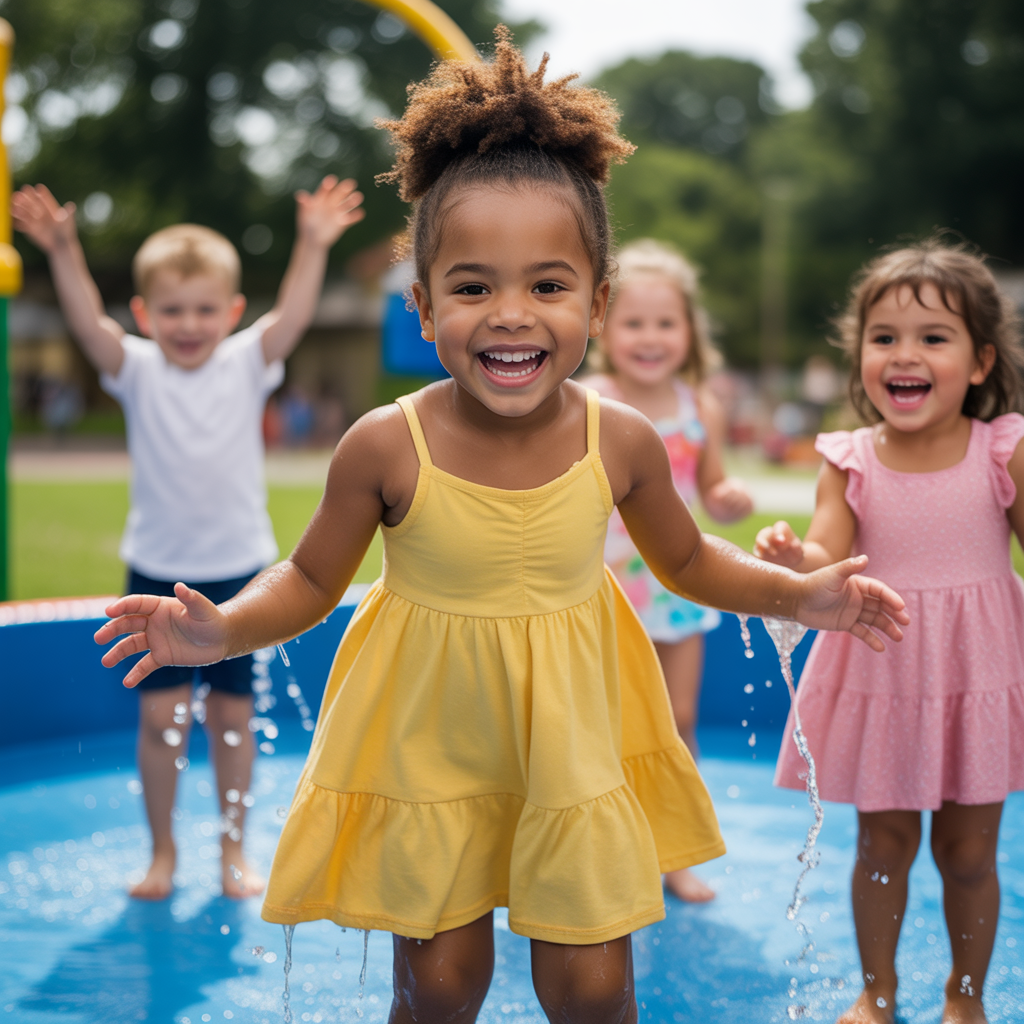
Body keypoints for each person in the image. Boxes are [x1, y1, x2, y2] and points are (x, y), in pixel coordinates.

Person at [97, 31, 907, 1024]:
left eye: (548, 286)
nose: (511, 315)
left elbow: (689, 557)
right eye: (473, 286)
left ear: (597, 304)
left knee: (595, 984)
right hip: (430, 737)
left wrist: (799, 594)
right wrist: (221, 627)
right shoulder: (383, 445)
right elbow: (309, 581)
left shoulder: (623, 438)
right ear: (424, 308)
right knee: (437, 986)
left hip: (572, 734)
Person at [12, 175, 365, 901]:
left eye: (206, 309)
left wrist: (312, 242)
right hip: (156, 572)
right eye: (171, 310)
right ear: (143, 313)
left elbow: (294, 315)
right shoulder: (136, 370)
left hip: (239, 571)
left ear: (234, 311)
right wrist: (62, 247)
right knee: (161, 721)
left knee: (234, 721)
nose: (189, 323)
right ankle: (163, 853)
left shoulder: (246, 361)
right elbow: (86, 325)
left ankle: (234, 852)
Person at [755, 240, 1024, 1024]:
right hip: (885, 670)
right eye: (885, 337)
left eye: (932, 338)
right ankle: (879, 991)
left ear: (978, 363)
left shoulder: (1001, 447)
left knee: (970, 853)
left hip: (977, 672)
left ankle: (963, 997)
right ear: (862, 355)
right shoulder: (850, 459)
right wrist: (789, 557)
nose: (904, 354)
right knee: (883, 848)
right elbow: (826, 554)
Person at [585, 239, 753, 903]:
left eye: (665, 323)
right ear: (603, 324)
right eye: (634, 322)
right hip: (602, 588)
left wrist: (726, 499)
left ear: (689, 332)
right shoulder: (591, 397)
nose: (649, 337)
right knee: (600, 725)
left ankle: (673, 853)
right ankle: (601, 852)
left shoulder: (700, 407)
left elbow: (708, 486)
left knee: (678, 718)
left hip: (676, 584)